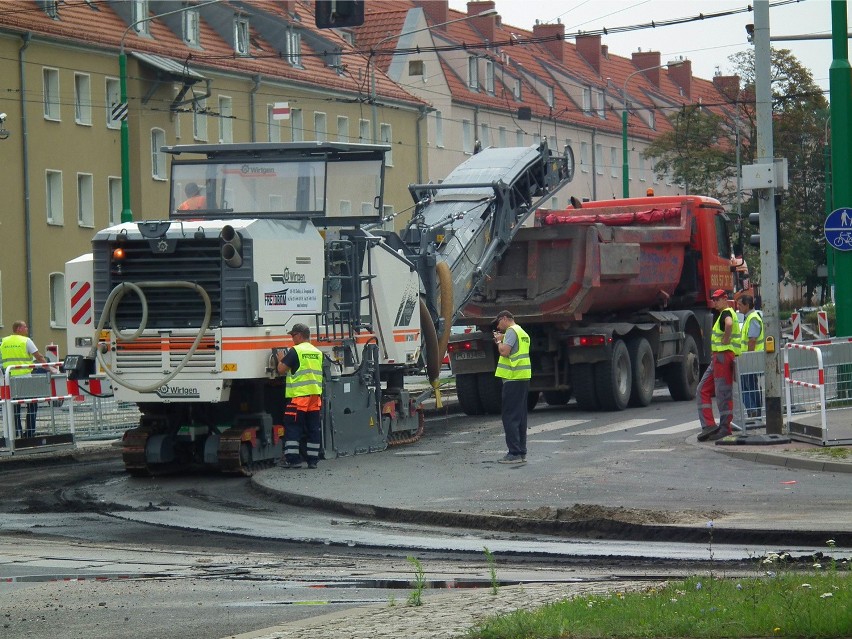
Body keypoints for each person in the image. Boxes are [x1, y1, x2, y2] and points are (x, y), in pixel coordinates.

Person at [277, 323, 324, 469]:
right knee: (313, 428)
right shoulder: (317, 352)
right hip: (315, 397)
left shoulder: (295, 351)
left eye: (293, 335)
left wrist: (280, 359)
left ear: (299, 335)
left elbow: (281, 370)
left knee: (293, 427)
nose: (292, 339)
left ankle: (293, 460)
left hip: (298, 398)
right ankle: (313, 461)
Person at [697, 290, 741, 442]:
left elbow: (728, 324)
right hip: (718, 357)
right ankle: (709, 425)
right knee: (702, 389)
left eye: (717, 299)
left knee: (723, 393)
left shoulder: (726, 313)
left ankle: (725, 428)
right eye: (713, 299)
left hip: (723, 357)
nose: (715, 302)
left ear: (725, 299)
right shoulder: (723, 313)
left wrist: (725, 340)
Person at [493, 310, 531, 464]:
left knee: (510, 417)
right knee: (520, 417)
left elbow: (504, 352)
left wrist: (498, 341)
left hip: (512, 378)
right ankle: (521, 451)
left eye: (498, 323)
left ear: (504, 319)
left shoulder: (510, 331)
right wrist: (504, 338)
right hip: (523, 377)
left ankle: (514, 453)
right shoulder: (521, 332)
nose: (498, 326)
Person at [0, 321, 48, 438]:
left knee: (14, 406)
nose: (27, 328)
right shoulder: (26, 341)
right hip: (25, 378)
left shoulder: (4, 341)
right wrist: (50, 368)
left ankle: (17, 432)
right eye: (25, 327)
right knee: (32, 404)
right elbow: (39, 356)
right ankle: (30, 432)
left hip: (9, 378)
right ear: (19, 329)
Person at [737, 294, 765, 418]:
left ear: (747, 305)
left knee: (746, 387)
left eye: (740, 305)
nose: (738, 307)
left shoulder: (752, 318)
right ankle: (755, 411)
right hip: (750, 358)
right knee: (751, 386)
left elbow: (752, 340)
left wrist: (748, 357)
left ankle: (753, 410)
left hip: (750, 359)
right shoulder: (750, 317)